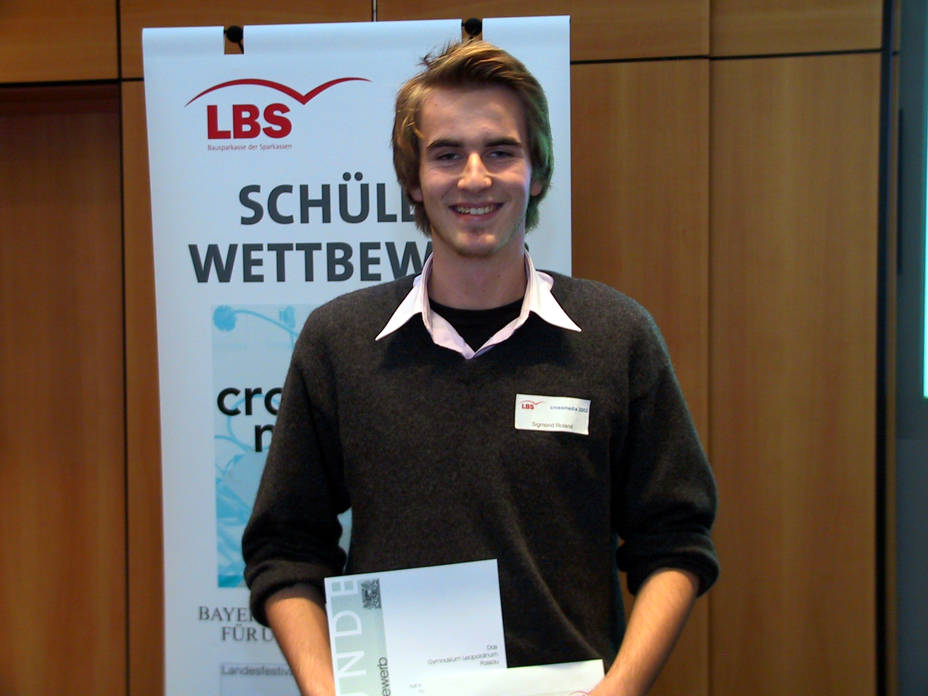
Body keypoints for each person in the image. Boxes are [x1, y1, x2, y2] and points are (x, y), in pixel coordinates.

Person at [242, 39, 718, 696]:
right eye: (446, 154)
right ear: (414, 180)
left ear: (537, 172)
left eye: (500, 151)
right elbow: (285, 548)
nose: (473, 178)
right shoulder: (339, 343)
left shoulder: (616, 337)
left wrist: (621, 689)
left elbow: (675, 539)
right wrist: (327, 692)